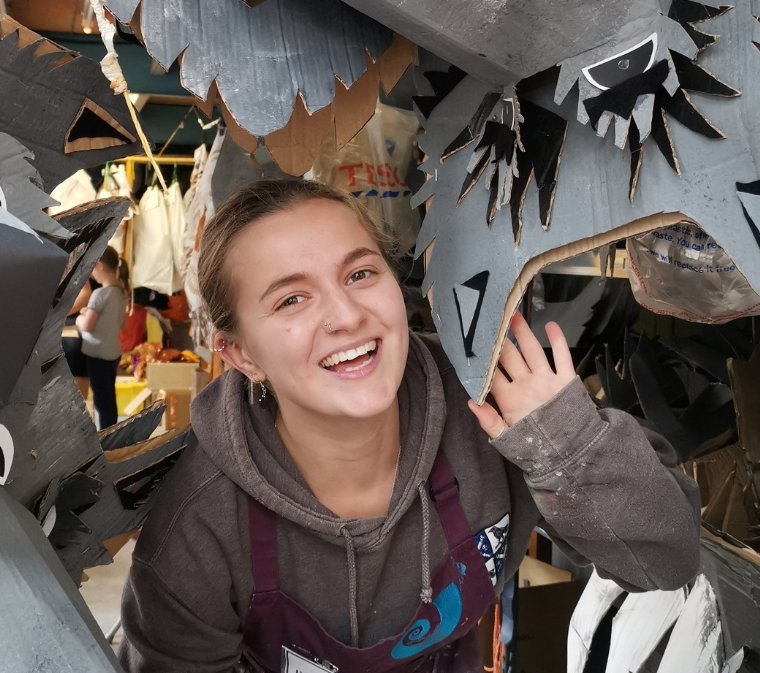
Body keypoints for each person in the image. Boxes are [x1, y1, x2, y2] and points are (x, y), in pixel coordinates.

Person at [118, 179, 702, 673]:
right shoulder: (198, 526)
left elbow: (665, 559)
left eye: (360, 274)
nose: (347, 317)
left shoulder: (491, 404)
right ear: (240, 354)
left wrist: (566, 443)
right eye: (292, 300)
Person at [69, 247, 129, 429]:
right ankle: (113, 430)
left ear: (100, 266)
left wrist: (80, 318)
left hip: (98, 354)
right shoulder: (121, 293)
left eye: (92, 269)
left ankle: (105, 437)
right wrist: (91, 312)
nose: (92, 275)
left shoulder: (99, 294)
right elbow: (122, 324)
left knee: (100, 401)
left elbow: (87, 326)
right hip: (113, 353)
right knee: (109, 396)